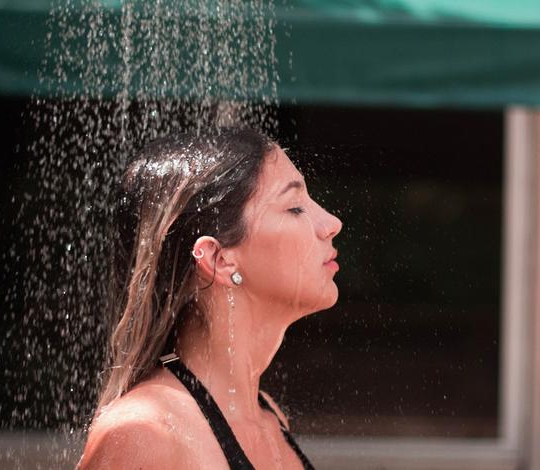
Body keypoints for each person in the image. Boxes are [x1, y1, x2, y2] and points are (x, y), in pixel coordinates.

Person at [78, 127, 342, 469]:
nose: (331, 223)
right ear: (218, 259)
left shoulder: (269, 418)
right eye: (294, 208)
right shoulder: (146, 433)